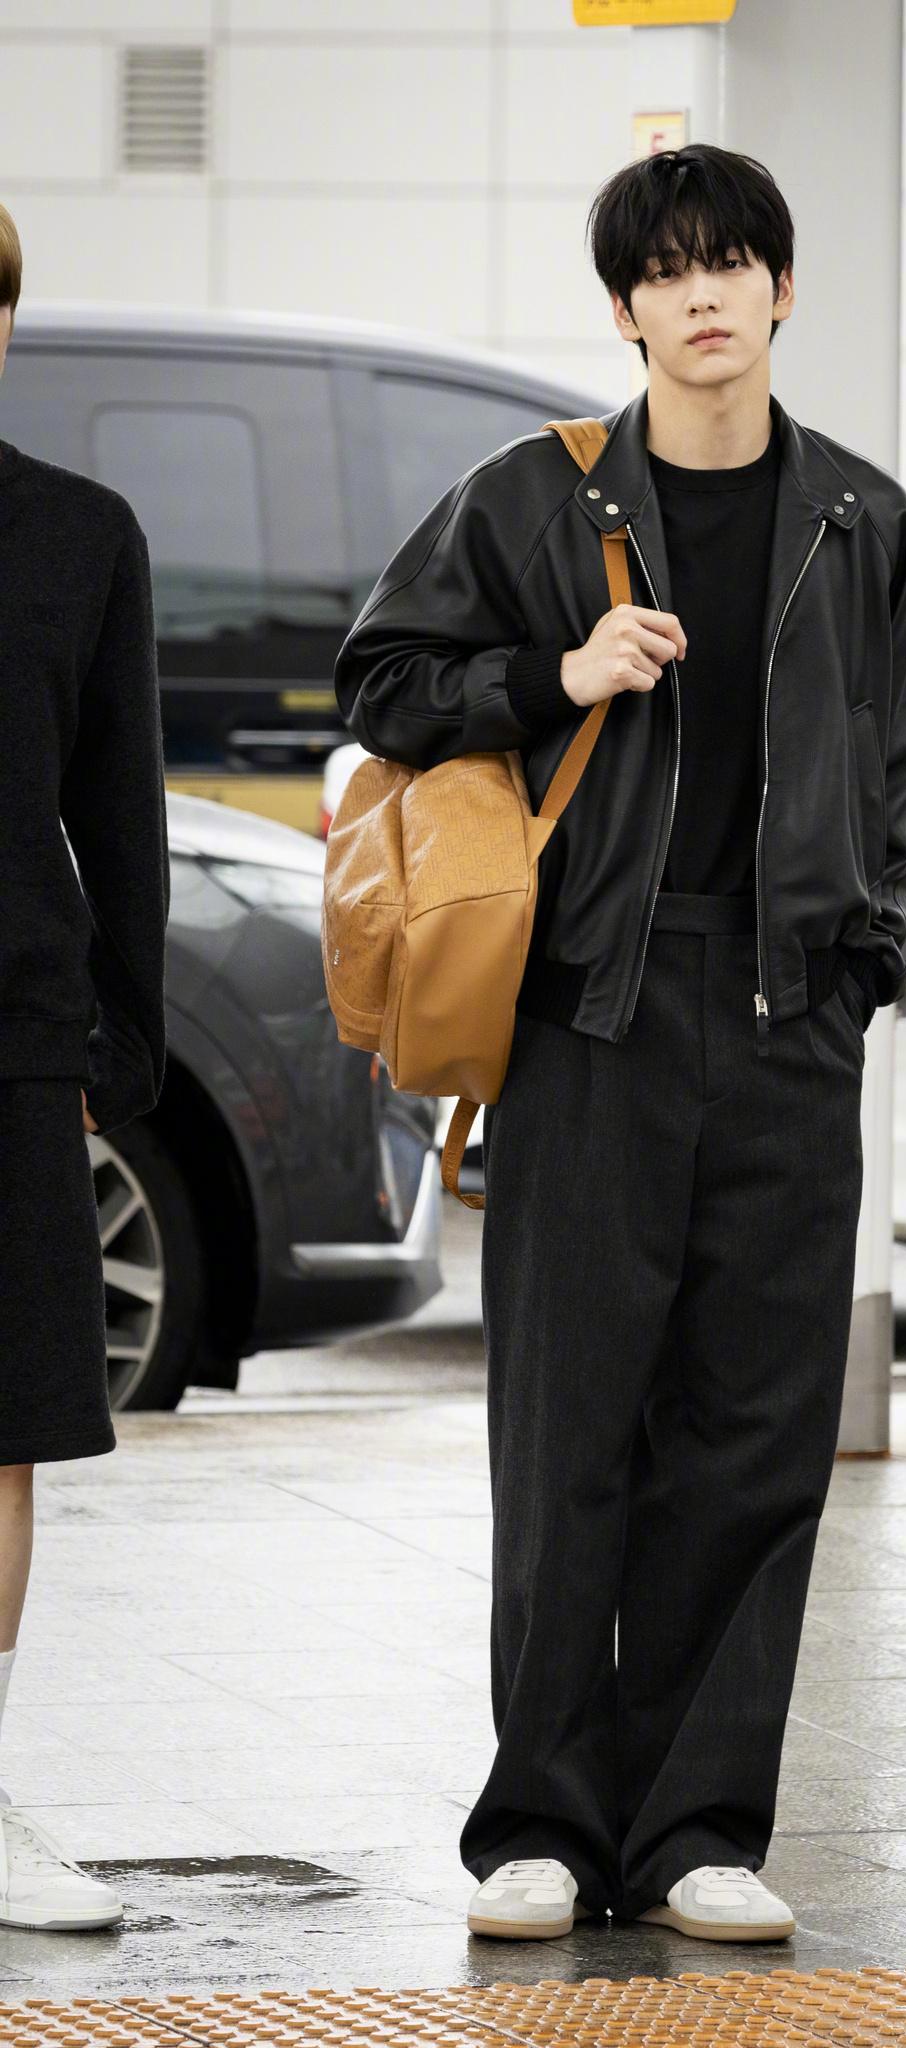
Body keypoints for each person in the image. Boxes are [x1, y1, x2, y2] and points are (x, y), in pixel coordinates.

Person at [334, 142, 906, 1944]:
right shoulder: (536, 498)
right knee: (568, 1426)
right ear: (624, 310)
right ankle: (540, 1824)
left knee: (753, 1436)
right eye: (664, 271)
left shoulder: (859, 516)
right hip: (590, 1008)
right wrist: (555, 676)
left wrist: (855, 970)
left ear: (780, 289)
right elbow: (380, 683)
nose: (699, 295)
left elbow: (891, 760)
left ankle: (696, 1832)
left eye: (727, 262)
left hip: (784, 1013)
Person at [0, 203, 169, 1931]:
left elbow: (119, 811)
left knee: (4, 1432)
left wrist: (123, 1037)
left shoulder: (77, 535)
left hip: (9, 1040)